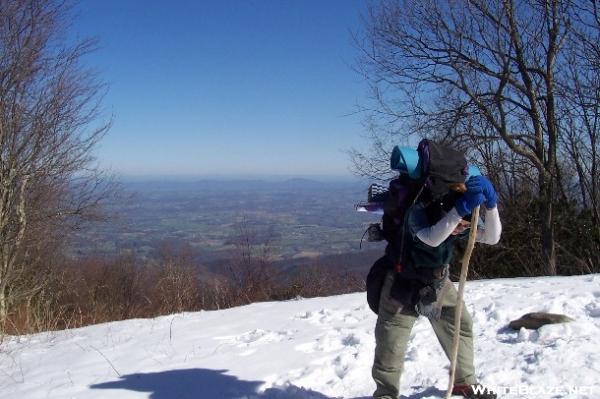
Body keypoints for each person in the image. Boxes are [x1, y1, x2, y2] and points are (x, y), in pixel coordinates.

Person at [371, 172, 501, 399]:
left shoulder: (455, 216)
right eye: (461, 223)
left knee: (460, 326)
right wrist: (458, 212)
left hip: (437, 282)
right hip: (403, 283)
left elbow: (491, 237)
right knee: (391, 342)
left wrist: (492, 206)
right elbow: (432, 237)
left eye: (464, 224)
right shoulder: (418, 211)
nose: (462, 227)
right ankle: (385, 394)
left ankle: (464, 383)